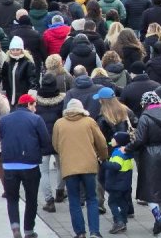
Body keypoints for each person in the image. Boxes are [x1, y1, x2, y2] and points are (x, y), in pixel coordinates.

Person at [51, 98, 109, 238]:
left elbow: (56, 144)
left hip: (69, 167)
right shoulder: (89, 122)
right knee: (92, 198)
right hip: (89, 166)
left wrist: (66, 154)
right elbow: (101, 142)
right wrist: (103, 157)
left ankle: (80, 233)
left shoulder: (59, 123)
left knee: (74, 200)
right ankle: (94, 232)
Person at [0, 93, 50, 238]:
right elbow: (45, 141)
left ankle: (15, 227)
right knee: (31, 199)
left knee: (12, 198)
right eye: (34, 106)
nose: (35, 109)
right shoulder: (36, 119)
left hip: (9, 165)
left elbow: (2, 137)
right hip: (29, 165)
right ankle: (29, 230)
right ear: (28, 104)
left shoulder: (5, 120)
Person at [126, 90, 161, 234]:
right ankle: (160, 218)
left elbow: (140, 140)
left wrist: (128, 148)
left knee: (149, 190)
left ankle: (158, 218)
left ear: (145, 103)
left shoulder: (145, 117)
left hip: (149, 155)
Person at [33, 73, 65, 212]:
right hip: (58, 139)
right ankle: (60, 192)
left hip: (42, 140)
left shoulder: (36, 101)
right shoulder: (62, 100)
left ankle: (49, 200)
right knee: (61, 167)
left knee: (44, 171)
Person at [99, 131, 133, 234]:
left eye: (114, 139)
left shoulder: (118, 153)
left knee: (112, 202)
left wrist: (103, 163)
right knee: (123, 203)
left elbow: (116, 166)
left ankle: (119, 221)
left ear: (119, 142)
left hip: (116, 184)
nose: (111, 140)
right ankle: (123, 221)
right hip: (125, 184)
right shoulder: (128, 152)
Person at [0, 36, 37, 106]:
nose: (15, 52)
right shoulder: (7, 62)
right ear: (10, 50)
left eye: (17, 49)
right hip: (10, 93)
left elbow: (32, 77)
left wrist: (32, 90)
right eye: (13, 49)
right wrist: (4, 90)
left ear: (21, 50)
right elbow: (4, 77)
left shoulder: (27, 62)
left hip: (23, 93)